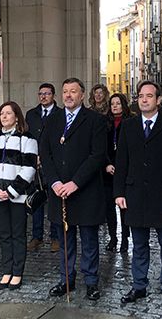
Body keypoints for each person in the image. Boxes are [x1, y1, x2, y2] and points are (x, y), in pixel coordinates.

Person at [113, 81, 162, 310]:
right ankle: (139, 285)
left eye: (149, 96)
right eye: (141, 96)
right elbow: (121, 161)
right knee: (139, 244)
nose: (144, 100)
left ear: (158, 100)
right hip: (135, 194)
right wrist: (119, 192)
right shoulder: (128, 126)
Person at [40, 78, 107, 301]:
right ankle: (66, 280)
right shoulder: (53, 120)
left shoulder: (95, 120)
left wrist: (75, 182)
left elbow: (97, 155)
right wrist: (55, 183)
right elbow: (46, 154)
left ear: (82, 95)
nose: (68, 95)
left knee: (89, 240)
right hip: (59, 191)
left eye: (73, 92)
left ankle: (91, 282)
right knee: (65, 240)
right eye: (65, 91)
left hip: (85, 190)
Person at [0, 102, 38, 291]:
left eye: (8, 113)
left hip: (17, 196)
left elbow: (29, 168)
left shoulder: (27, 138)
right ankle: (6, 270)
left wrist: (12, 190)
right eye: (2, 113)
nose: (4, 117)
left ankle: (18, 272)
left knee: (18, 235)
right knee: (4, 235)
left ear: (17, 116)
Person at [24, 83, 62, 253]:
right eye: (41, 93)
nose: (43, 96)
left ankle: (55, 237)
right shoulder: (31, 114)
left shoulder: (60, 114)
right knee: (36, 200)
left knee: (54, 200)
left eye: (47, 93)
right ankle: (36, 236)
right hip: (35, 162)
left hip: (53, 163)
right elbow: (28, 137)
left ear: (53, 95)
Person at [103, 93, 133, 253]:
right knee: (109, 206)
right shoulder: (104, 123)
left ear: (123, 105)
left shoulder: (131, 122)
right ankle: (113, 237)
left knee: (124, 207)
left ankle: (125, 239)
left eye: (118, 103)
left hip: (125, 170)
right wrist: (107, 164)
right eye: (112, 104)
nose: (115, 106)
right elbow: (101, 146)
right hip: (108, 170)